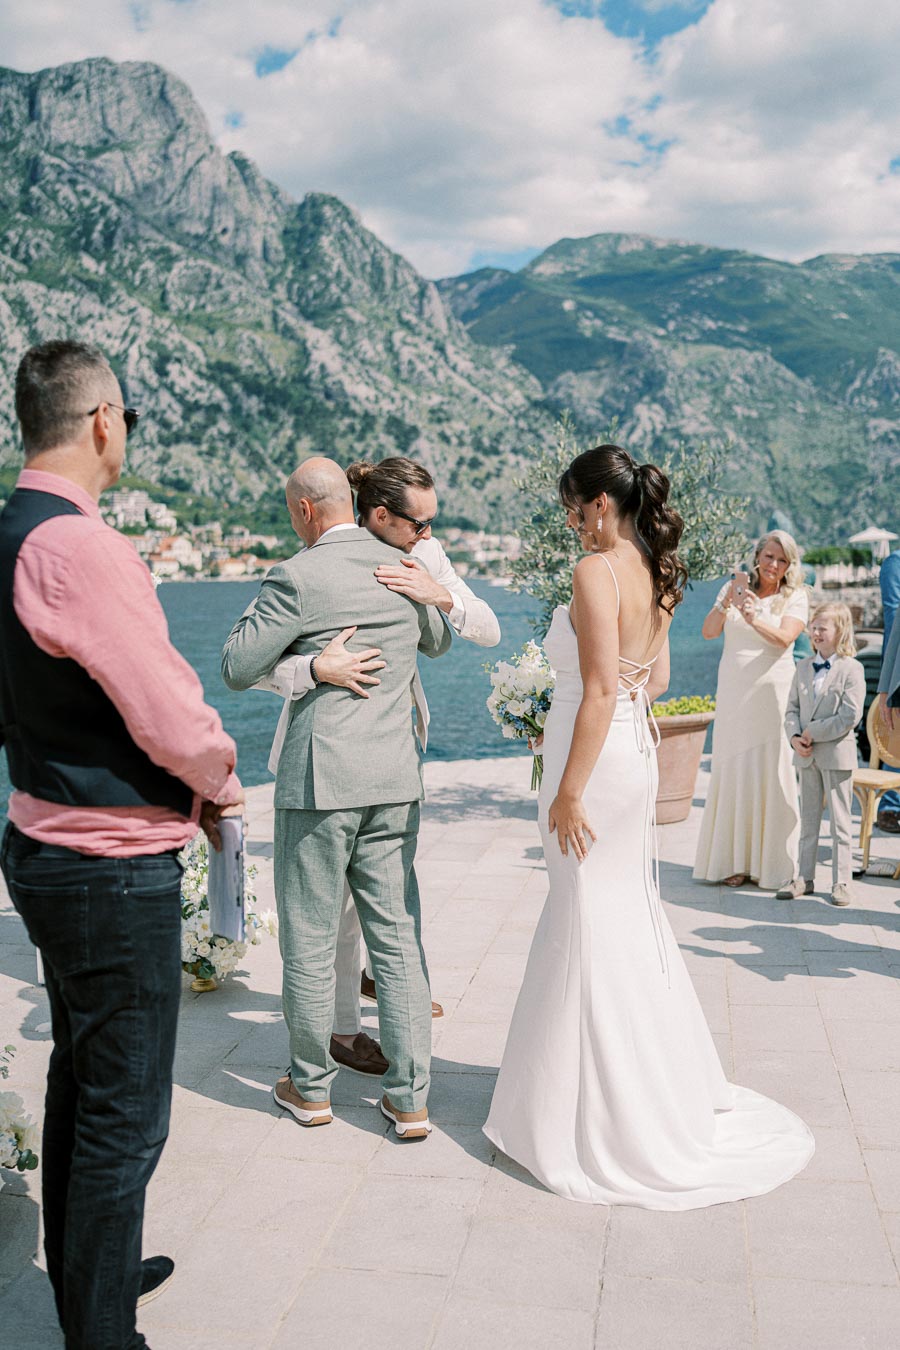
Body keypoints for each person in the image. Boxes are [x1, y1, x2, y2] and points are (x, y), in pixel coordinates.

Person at [483, 443, 814, 1207]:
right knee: (619, 913)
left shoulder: (595, 572)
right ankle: (633, 1083)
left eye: (573, 508)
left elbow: (598, 690)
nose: (569, 523)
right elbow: (651, 680)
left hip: (593, 760)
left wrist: (567, 787)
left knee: (583, 914)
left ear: (601, 503)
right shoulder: (661, 573)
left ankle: (583, 1110)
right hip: (630, 751)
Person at [0, 341, 243, 1350]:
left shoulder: (11, 532)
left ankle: (90, 1273)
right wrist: (223, 781)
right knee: (127, 1116)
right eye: (129, 419)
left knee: (81, 1079)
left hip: (44, 840)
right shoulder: (80, 547)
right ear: (102, 419)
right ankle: (102, 1331)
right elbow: (169, 715)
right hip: (108, 865)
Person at [221, 458, 451, 1139]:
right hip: (394, 782)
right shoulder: (403, 570)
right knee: (398, 939)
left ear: (302, 511)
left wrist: (305, 667)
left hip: (320, 783)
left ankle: (311, 1088)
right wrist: (431, 587)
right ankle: (410, 1098)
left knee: (312, 940)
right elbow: (436, 642)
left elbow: (235, 666)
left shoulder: (297, 574)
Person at [256, 457, 501, 1074]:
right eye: (418, 524)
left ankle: (387, 1017)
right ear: (379, 514)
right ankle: (344, 1032)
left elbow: (483, 630)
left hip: (394, 744)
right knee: (334, 917)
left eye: (430, 525)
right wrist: (313, 669)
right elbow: (256, 660)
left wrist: (437, 593)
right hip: (325, 750)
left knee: (386, 915)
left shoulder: (425, 553)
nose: (426, 535)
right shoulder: (318, 566)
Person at [693, 531, 809, 890]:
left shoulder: (796, 597)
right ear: (757, 555)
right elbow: (709, 632)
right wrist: (726, 602)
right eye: (769, 556)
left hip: (773, 694)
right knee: (733, 767)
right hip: (733, 691)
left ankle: (771, 864)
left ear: (790, 565)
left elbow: (785, 639)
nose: (774, 565)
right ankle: (734, 860)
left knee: (771, 771)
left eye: (782, 560)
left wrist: (754, 617)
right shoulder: (735, 590)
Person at [779, 603, 866, 906]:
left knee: (841, 822)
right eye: (813, 627)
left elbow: (850, 716)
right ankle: (804, 877)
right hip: (805, 755)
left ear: (839, 631)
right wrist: (794, 737)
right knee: (808, 820)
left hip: (837, 754)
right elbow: (791, 708)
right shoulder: (802, 666)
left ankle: (841, 881)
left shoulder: (852, 668)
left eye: (822, 628)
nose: (814, 633)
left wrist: (813, 731)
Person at [876, 546, 900, 831]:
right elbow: (894, 619)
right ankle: (890, 806)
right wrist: (888, 682)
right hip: (898, 670)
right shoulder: (895, 562)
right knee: (895, 738)